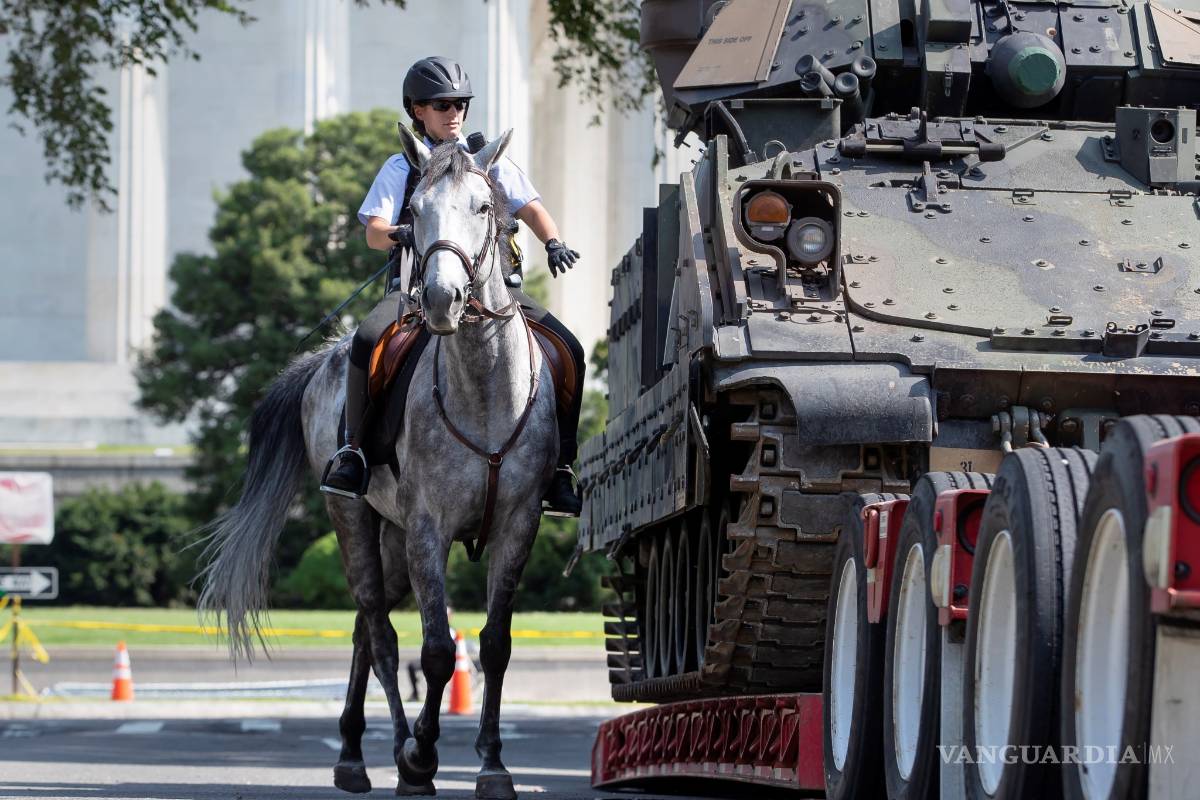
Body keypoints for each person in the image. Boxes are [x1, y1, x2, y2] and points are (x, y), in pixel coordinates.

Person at [320, 56, 585, 516]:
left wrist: (555, 241)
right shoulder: (401, 166)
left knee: (571, 348)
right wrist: (400, 233)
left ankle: (560, 466)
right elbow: (373, 231)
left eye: (460, 103)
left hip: (495, 290)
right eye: (442, 104)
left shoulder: (487, 159)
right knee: (366, 340)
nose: (454, 112)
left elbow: (532, 208)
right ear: (417, 110)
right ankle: (354, 452)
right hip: (416, 292)